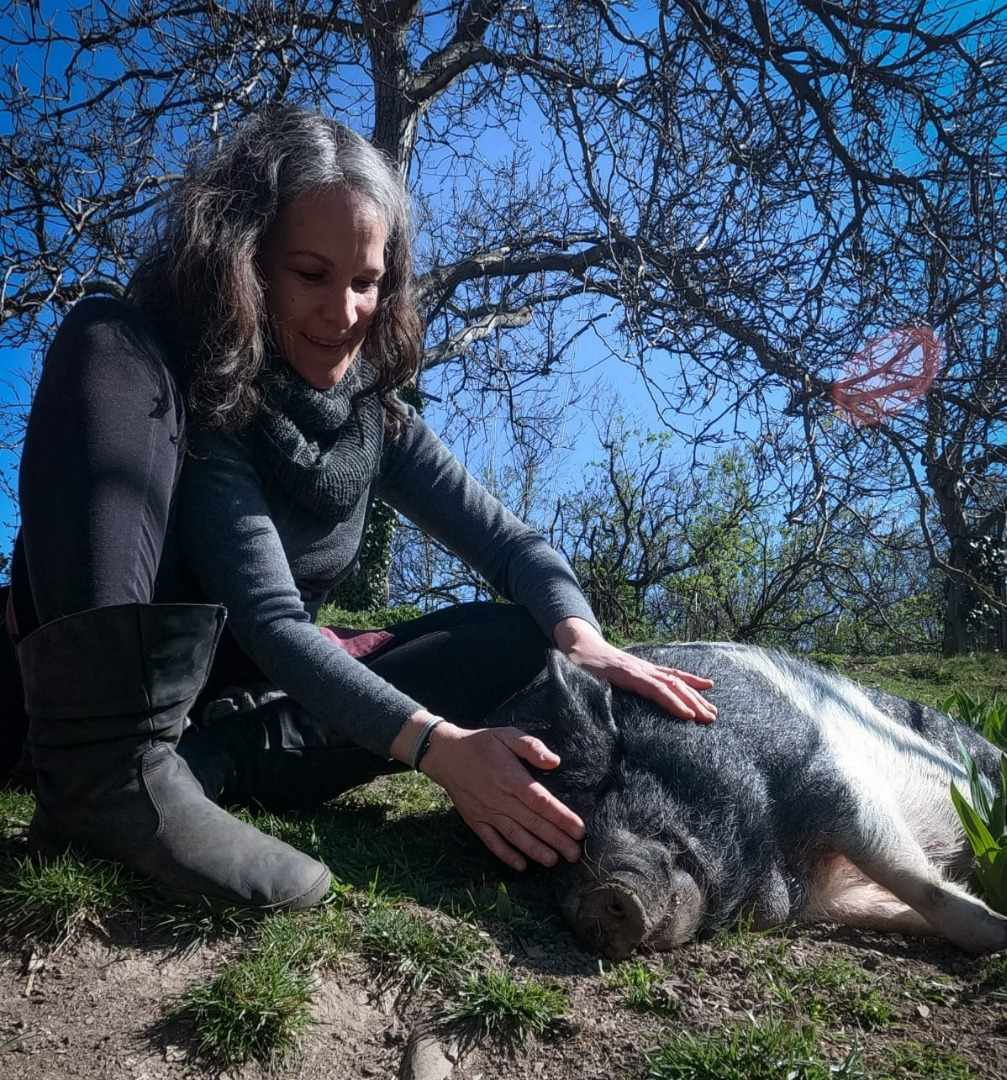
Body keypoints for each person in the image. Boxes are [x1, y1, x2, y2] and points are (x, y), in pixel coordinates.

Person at [4, 105, 715, 912]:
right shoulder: (200, 392)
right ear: (244, 266)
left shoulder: (377, 420)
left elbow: (512, 546)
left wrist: (585, 641)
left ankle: (211, 763)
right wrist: (439, 747)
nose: (343, 313)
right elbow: (270, 617)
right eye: (310, 274)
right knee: (104, 330)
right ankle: (105, 773)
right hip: (65, 706)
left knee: (522, 638)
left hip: (234, 713)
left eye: (365, 282)